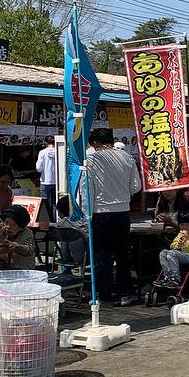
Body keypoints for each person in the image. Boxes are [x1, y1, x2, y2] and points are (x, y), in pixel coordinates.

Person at [79, 127, 141, 306]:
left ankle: (104, 295)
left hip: (101, 213)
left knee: (102, 256)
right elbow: (136, 186)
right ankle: (126, 293)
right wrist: (122, 192)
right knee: (123, 254)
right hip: (122, 212)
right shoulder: (127, 157)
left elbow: (86, 190)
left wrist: (86, 215)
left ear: (96, 143)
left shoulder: (91, 160)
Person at [155, 210, 189, 289]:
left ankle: (175, 278)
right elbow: (172, 246)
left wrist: (186, 243)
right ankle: (167, 276)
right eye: (182, 224)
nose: (184, 227)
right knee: (163, 253)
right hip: (181, 255)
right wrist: (178, 244)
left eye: (187, 224)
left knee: (172, 253)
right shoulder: (180, 234)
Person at [0, 204, 37, 271]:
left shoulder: (27, 233)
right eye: (6, 222)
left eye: (13, 225)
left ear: (20, 227)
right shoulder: (0, 227)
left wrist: (18, 247)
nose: (8, 226)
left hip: (19, 268)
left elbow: (30, 249)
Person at [54, 194, 88, 270]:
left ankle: (66, 270)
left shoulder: (60, 224)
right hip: (82, 256)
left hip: (65, 257)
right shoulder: (80, 222)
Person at [36, 135, 58, 218]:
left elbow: (39, 168)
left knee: (44, 204)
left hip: (45, 181)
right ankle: (55, 221)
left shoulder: (42, 152)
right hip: (57, 182)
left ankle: (46, 221)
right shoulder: (59, 151)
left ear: (45, 143)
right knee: (55, 204)